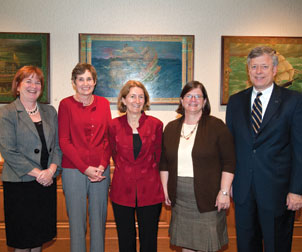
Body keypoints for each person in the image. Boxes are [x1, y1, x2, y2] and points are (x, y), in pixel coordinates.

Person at [226, 46, 302, 252]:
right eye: (254, 67)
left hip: (278, 191)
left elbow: (299, 149)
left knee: (277, 245)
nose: (258, 71)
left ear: (275, 70)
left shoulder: (293, 101)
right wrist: (228, 183)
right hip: (243, 190)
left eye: (264, 66)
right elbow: (230, 148)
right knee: (246, 245)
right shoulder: (236, 101)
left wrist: (296, 190)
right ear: (248, 70)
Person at [160, 81, 236, 252]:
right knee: (187, 245)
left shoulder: (217, 127)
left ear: (204, 101)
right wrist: (165, 190)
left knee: (206, 246)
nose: (193, 100)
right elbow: (164, 163)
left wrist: (224, 192)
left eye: (198, 96)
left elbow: (229, 162)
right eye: (189, 95)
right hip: (180, 197)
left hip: (208, 197)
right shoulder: (171, 128)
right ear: (181, 100)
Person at [0, 66, 62, 252]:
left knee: (39, 237)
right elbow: (8, 150)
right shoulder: (7, 112)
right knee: (22, 239)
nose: (33, 86)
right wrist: (39, 174)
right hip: (20, 185)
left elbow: (58, 147)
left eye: (37, 82)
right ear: (17, 86)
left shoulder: (49, 111)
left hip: (45, 184)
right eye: (28, 81)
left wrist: (51, 171)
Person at [58, 63, 111, 252]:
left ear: (95, 82)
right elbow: (64, 141)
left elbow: (108, 139)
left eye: (89, 79)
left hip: (100, 171)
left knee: (98, 223)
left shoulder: (104, 103)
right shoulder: (65, 104)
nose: (85, 83)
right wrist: (85, 168)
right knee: (77, 224)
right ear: (74, 83)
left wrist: (103, 165)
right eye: (80, 79)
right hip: (73, 170)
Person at [109, 80, 164, 252]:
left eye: (141, 97)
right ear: (124, 100)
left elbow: (159, 157)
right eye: (132, 96)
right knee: (126, 241)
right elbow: (114, 154)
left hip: (150, 191)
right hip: (122, 190)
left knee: (149, 241)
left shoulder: (156, 125)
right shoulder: (113, 125)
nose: (137, 100)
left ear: (145, 100)